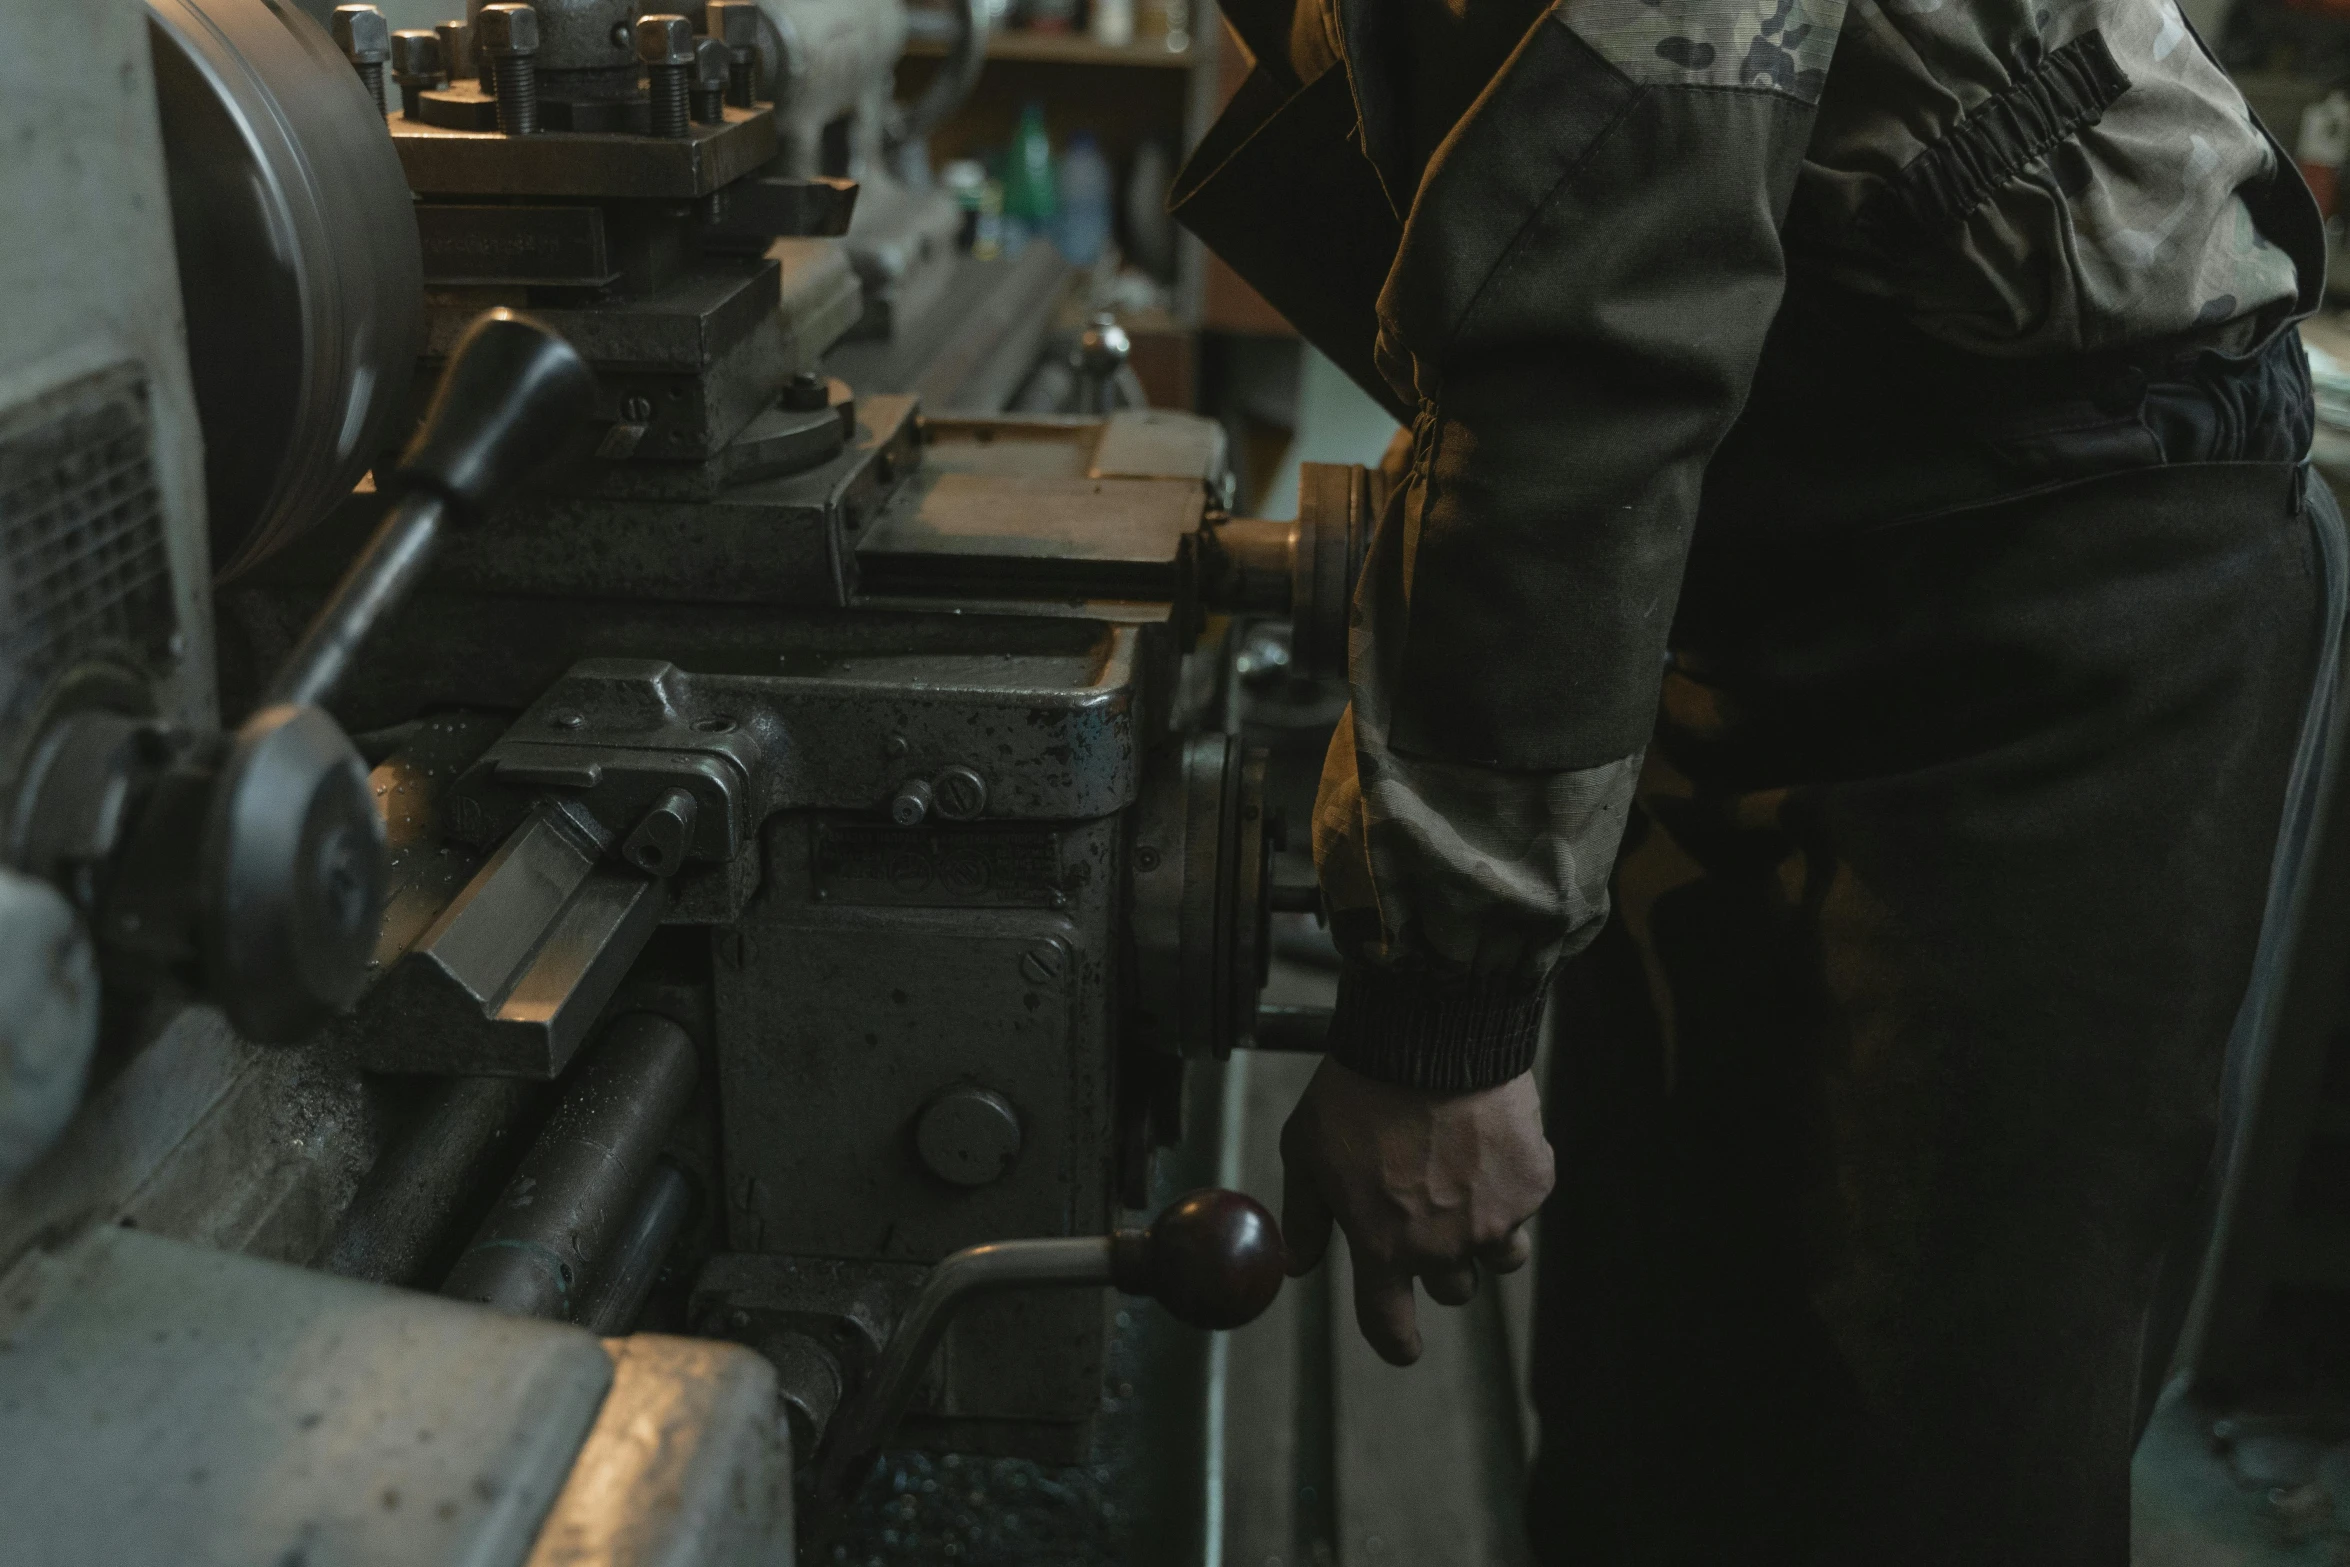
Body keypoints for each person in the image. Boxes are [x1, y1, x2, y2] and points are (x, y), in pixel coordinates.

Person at [1172, 0, 2339, 1559]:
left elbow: (1591, 346)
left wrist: (1437, 1014)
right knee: (1666, 1399)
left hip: (2046, 581)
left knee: (1900, 1443)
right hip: (1792, 531)